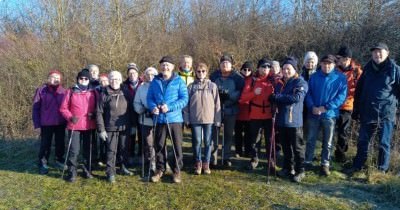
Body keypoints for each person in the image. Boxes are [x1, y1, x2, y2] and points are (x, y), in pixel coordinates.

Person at [346, 42, 400, 174]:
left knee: (384, 143)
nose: (377, 54)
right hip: (367, 112)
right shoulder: (367, 69)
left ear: (387, 53)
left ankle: (381, 170)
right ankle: (357, 166)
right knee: (363, 141)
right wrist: (356, 109)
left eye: (380, 51)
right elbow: (359, 90)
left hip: (386, 114)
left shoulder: (395, 70)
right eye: (375, 52)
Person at [304, 55, 347, 176]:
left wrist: (326, 107)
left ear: (334, 65)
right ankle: (308, 161)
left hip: (329, 114)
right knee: (311, 139)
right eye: (324, 63)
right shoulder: (314, 77)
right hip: (314, 114)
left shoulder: (340, 78)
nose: (326, 66)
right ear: (320, 64)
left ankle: (325, 164)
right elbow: (308, 94)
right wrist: (312, 107)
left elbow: (341, 97)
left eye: (329, 64)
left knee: (328, 141)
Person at [147, 56, 188, 183]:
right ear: (161, 67)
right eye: (163, 65)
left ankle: (176, 171)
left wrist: (169, 107)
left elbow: (184, 99)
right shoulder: (155, 81)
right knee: (159, 145)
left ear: (173, 67)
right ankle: (160, 170)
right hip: (159, 119)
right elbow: (150, 98)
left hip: (174, 119)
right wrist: (153, 107)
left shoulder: (179, 81)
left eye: (168, 65)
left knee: (176, 146)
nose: (165, 67)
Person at [270, 57, 308, 182]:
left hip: (294, 121)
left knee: (297, 148)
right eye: (284, 68)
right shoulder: (280, 83)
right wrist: (273, 99)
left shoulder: (300, 82)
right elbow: (275, 96)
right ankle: (288, 168)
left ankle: (300, 170)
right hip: (281, 120)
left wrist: (278, 97)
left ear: (294, 69)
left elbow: (296, 97)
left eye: (289, 69)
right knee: (286, 147)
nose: (286, 71)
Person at [96, 71, 134, 183]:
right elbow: (98, 112)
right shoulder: (104, 93)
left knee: (124, 148)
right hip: (110, 127)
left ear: (121, 80)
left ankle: (123, 167)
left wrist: (132, 125)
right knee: (111, 150)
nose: (114, 81)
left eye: (117, 79)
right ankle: (110, 172)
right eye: (112, 78)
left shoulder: (126, 92)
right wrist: (101, 129)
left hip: (124, 126)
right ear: (109, 80)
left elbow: (131, 109)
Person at [59, 69, 97, 182]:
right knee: (74, 150)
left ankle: (87, 170)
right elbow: (63, 108)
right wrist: (70, 117)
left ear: (89, 80)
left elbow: (98, 108)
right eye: (81, 78)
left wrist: (94, 114)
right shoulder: (70, 91)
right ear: (78, 79)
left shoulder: (94, 92)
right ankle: (72, 172)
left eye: (86, 78)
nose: (83, 80)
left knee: (88, 150)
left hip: (89, 125)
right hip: (74, 125)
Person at [184, 63, 221, 175]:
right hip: (195, 119)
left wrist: (218, 120)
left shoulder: (212, 86)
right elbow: (186, 105)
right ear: (195, 72)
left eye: (203, 71)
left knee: (208, 142)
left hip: (209, 119)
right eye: (199, 71)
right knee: (197, 142)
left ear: (207, 72)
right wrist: (187, 118)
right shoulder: (191, 86)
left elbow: (217, 104)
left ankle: (206, 163)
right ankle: (198, 162)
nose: (201, 73)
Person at [239, 58, 274, 170]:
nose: (265, 70)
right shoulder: (252, 81)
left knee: (270, 139)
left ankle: (271, 161)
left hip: (269, 115)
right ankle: (254, 159)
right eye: (263, 67)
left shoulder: (273, 81)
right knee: (254, 139)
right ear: (258, 68)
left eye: (268, 67)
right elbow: (243, 98)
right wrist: (254, 93)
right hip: (255, 114)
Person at [210, 54, 244, 167]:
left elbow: (241, 92)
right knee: (214, 134)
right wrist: (217, 95)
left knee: (228, 135)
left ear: (231, 64)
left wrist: (229, 96)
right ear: (220, 65)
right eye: (223, 63)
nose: (225, 65)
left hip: (231, 109)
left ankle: (226, 157)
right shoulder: (214, 76)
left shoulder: (237, 78)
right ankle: (212, 158)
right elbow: (209, 89)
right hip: (216, 110)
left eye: (227, 63)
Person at [32, 70, 67, 175]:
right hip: (46, 123)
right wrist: (37, 122)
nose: (55, 79)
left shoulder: (64, 91)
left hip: (60, 122)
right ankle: (43, 163)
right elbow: (35, 108)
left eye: (57, 77)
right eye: (53, 77)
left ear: (60, 79)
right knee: (45, 144)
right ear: (48, 78)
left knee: (60, 143)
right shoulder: (41, 90)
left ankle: (59, 160)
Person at [334, 46, 363, 163]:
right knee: (330, 131)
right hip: (334, 105)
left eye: (339, 57)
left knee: (343, 132)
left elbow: (361, 89)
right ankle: (326, 155)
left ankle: (340, 155)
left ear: (347, 58)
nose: (337, 59)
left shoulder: (357, 72)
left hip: (347, 106)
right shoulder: (334, 69)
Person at [134, 67, 159, 177]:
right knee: (149, 144)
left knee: (159, 142)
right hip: (145, 118)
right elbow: (136, 102)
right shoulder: (141, 87)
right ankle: (151, 164)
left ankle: (161, 162)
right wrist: (141, 110)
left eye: (152, 74)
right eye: (148, 74)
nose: (150, 76)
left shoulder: (160, 85)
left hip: (159, 119)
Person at [123, 63, 141, 164]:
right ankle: (131, 154)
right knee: (131, 135)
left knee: (142, 135)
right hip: (130, 114)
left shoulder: (142, 83)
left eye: (134, 72)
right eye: (130, 73)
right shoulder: (124, 85)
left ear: (137, 73)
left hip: (142, 113)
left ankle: (141, 154)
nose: (132, 75)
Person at [235, 61, 253, 157]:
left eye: (249, 69)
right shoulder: (237, 79)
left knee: (248, 133)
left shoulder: (253, 80)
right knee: (238, 133)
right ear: (241, 70)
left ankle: (247, 150)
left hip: (248, 110)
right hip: (238, 109)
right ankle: (238, 150)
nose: (246, 71)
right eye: (244, 69)